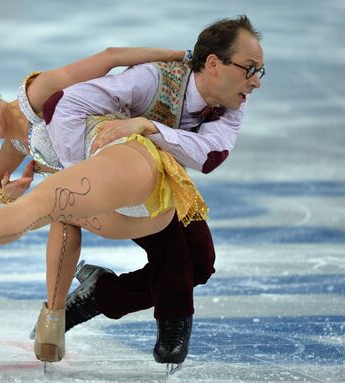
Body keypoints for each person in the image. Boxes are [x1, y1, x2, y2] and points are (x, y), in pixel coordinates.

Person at [0, 47, 208, 364]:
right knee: (67, 210)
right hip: (108, 199)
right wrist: (7, 194)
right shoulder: (15, 145)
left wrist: (181, 56)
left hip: (132, 167)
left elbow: (111, 58)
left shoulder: (37, 94)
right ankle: (57, 313)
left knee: (201, 264)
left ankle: (91, 299)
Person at [49, 15, 264, 370]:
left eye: (260, 72)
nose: (256, 83)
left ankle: (99, 295)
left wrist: (149, 127)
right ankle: (174, 320)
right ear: (213, 63)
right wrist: (83, 171)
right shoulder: (153, 78)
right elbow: (65, 102)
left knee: (201, 263)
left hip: (163, 180)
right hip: (111, 173)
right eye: (250, 69)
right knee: (173, 250)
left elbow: (210, 155)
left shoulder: (232, 103)